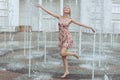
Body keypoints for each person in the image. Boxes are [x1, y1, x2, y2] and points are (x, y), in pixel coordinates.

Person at [34, 4, 95, 78]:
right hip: (61, 38)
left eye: (68, 8)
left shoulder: (70, 19)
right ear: (63, 10)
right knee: (63, 56)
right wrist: (41, 7)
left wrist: (90, 27)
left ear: (69, 11)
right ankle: (66, 71)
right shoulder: (59, 17)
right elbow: (49, 12)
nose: (66, 9)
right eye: (65, 8)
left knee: (62, 53)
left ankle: (74, 54)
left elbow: (80, 24)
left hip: (67, 37)